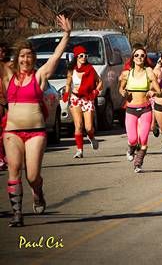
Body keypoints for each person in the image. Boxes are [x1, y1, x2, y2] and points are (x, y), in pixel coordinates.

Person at [1, 14, 71, 227]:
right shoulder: (7, 75)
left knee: (32, 175)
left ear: (33, 57)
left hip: (36, 133)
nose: (25, 59)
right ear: (16, 58)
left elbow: (56, 57)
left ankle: (37, 192)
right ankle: (17, 213)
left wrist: (67, 34)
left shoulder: (40, 76)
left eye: (29, 55)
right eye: (21, 56)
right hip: (11, 132)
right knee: (13, 168)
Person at [119, 45, 162, 173]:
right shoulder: (127, 74)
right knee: (132, 139)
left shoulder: (149, 72)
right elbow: (121, 89)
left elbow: (159, 91)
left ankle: (138, 163)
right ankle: (131, 148)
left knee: (143, 138)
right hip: (131, 109)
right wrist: (124, 93)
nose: (139, 58)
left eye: (142, 55)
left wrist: (153, 93)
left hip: (145, 109)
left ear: (145, 57)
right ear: (133, 57)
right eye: (137, 55)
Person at [63, 45, 103, 158]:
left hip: (87, 98)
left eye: (85, 55)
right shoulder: (72, 70)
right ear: (76, 57)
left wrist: (95, 92)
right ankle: (79, 150)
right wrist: (66, 93)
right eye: (81, 56)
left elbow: (100, 82)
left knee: (89, 127)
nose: (84, 57)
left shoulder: (90, 69)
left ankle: (91, 137)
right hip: (75, 98)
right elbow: (68, 83)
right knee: (78, 125)